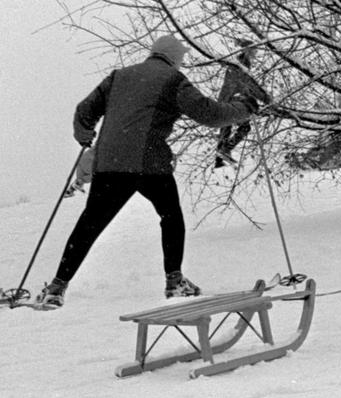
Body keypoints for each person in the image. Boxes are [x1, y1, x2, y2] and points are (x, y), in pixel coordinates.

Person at [34, 34, 260, 309]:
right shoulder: (173, 80)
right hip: (149, 163)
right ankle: (174, 280)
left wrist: (85, 135)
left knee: (90, 223)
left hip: (110, 163)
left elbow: (84, 111)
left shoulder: (118, 77)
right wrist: (243, 109)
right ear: (174, 58)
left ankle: (57, 287)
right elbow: (209, 114)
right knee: (170, 216)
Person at [214, 39, 270, 168]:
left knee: (226, 124)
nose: (256, 54)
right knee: (244, 127)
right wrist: (266, 99)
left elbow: (246, 86)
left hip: (226, 100)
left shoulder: (236, 65)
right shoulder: (241, 66)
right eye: (254, 51)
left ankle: (220, 155)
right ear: (247, 51)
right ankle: (225, 149)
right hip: (234, 100)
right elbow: (251, 86)